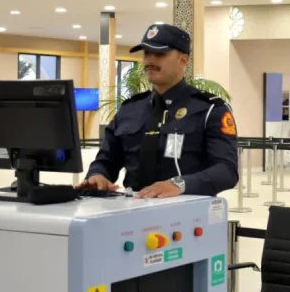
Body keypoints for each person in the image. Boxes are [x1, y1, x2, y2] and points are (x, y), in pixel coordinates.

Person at [78, 23, 239, 198]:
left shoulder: (210, 109)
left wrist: (179, 184)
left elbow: (226, 171)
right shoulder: (130, 109)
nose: (150, 60)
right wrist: (97, 176)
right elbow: (106, 160)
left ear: (183, 60)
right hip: (132, 210)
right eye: (146, 53)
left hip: (186, 213)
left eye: (160, 53)